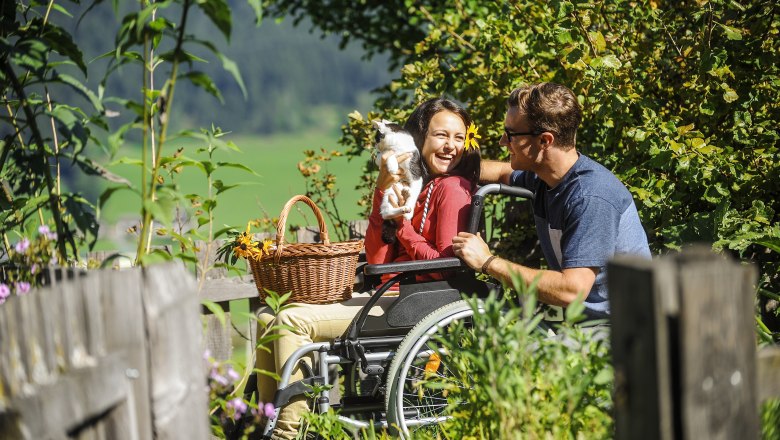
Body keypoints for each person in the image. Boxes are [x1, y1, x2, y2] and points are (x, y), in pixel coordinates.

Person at [255, 97, 481, 439]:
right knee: (268, 316)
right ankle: (263, 421)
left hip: (420, 303)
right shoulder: (417, 186)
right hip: (391, 295)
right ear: (419, 138)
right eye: (441, 136)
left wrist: (403, 228)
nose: (451, 146)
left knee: (290, 321)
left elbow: (444, 267)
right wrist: (382, 191)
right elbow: (377, 259)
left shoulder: (452, 188)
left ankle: (288, 432)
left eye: (458, 137)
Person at [453, 82, 651, 321]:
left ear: (545, 141)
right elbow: (500, 172)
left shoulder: (591, 197)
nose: (503, 142)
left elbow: (571, 290)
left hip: (625, 328)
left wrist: (488, 262)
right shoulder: (544, 177)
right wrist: (443, 167)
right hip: (585, 323)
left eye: (511, 134)